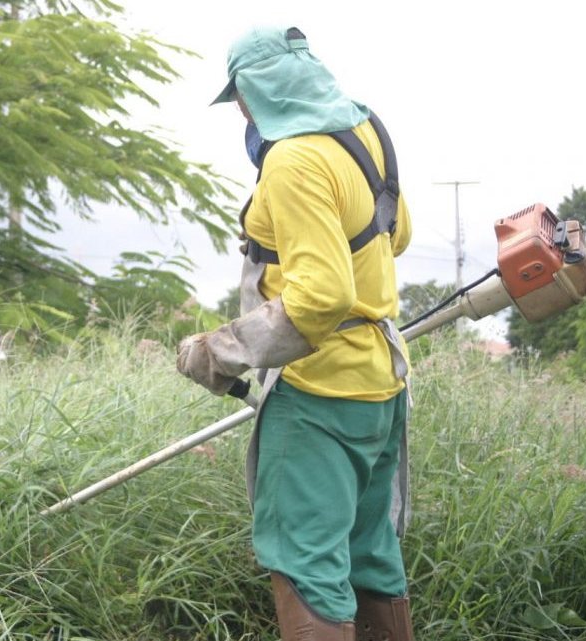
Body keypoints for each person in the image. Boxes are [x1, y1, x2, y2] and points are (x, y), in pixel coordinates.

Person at [176, 25, 415, 641]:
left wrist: (222, 351)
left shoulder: (293, 159)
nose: (242, 113)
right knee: (370, 554)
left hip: (317, 394)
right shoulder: (365, 132)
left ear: (251, 95)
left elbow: (323, 296)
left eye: (240, 101)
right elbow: (397, 234)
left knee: (304, 564)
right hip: (382, 389)